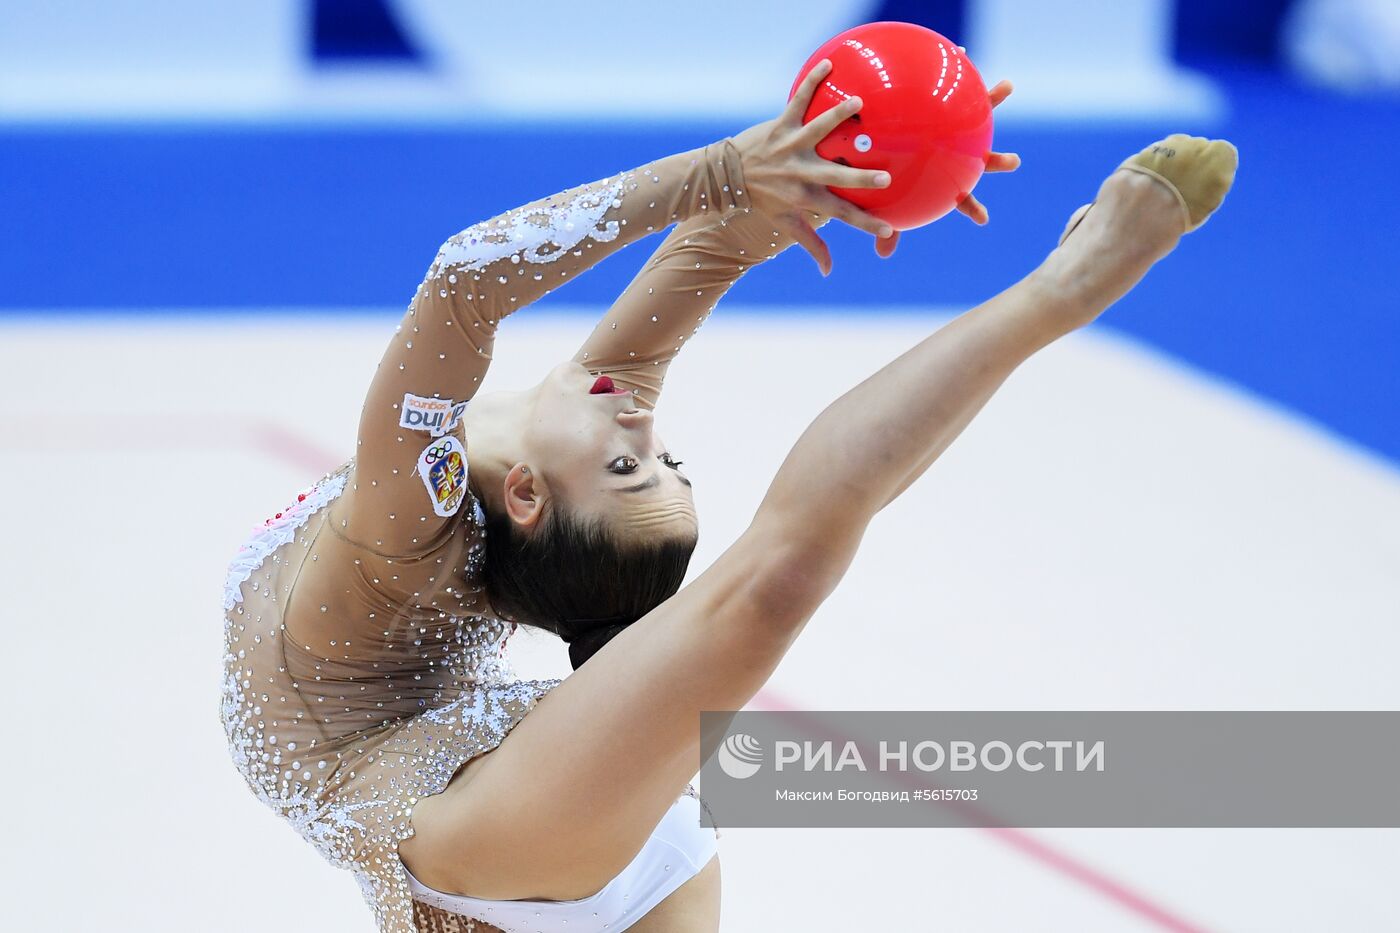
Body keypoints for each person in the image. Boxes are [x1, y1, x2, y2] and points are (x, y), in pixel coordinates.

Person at [220, 58, 1235, 932]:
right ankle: (1053, 295)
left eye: (630, 467)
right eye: (662, 463)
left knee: (773, 579)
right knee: (773, 578)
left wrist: (730, 170)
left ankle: (1059, 291)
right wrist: (834, 162)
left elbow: (463, 282)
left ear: (527, 495)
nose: (644, 427)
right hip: (548, 793)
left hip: (474, 808)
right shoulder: (562, 432)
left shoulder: (408, 522)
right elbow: (720, 241)